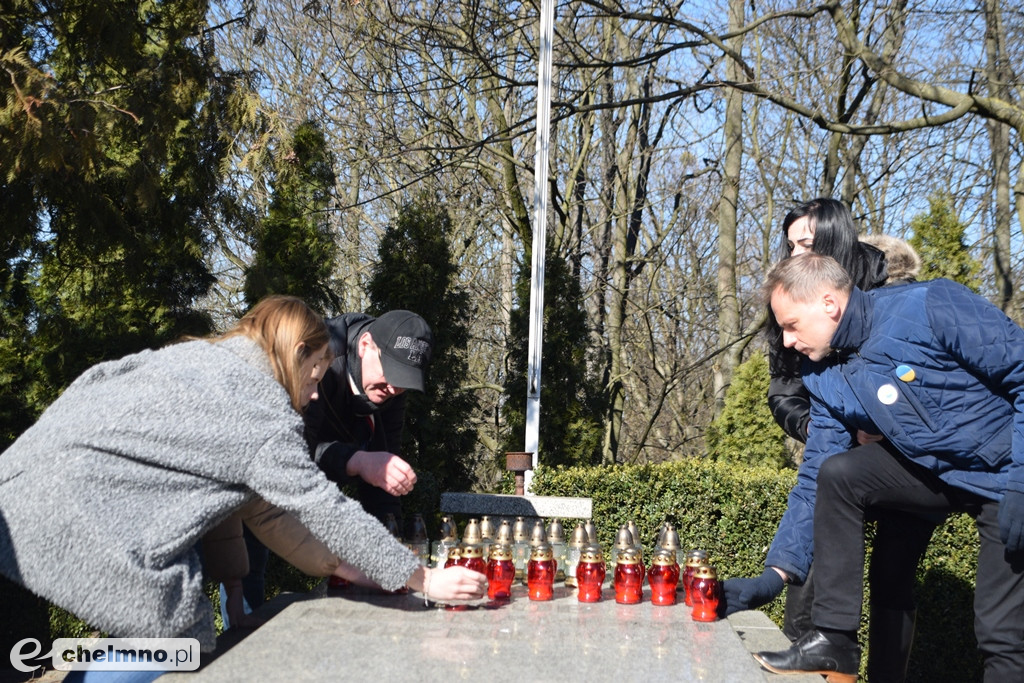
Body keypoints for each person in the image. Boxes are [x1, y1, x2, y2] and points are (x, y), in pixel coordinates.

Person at [0, 296, 486, 659]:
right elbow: (320, 507)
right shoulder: (259, 408)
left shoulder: (210, 362)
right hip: (65, 517)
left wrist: (235, 588)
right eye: (316, 377)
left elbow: (233, 495)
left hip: (14, 491)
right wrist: (422, 578)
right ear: (297, 353)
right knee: (174, 641)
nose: (316, 395)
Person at [735, 254, 1024, 682]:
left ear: (830, 303)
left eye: (791, 324)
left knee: (1000, 633)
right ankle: (833, 640)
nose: (787, 340)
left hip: (1006, 476)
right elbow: (815, 476)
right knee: (840, 474)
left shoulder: (931, 304)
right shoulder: (822, 374)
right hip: (934, 474)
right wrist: (774, 576)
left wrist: (1021, 480)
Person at [764, 199, 933, 682]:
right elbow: (784, 392)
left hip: (906, 459)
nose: (795, 252)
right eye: (790, 243)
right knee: (813, 572)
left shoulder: (895, 292)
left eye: (806, 243)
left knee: (893, 579)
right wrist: (821, 425)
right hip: (836, 454)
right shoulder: (792, 300)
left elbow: (924, 377)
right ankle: (812, 664)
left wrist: (889, 420)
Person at [237, 308, 433, 609]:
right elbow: (291, 462)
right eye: (390, 374)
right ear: (365, 345)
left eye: (403, 382)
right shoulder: (317, 362)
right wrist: (355, 460)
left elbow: (383, 471)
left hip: (294, 483)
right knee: (248, 552)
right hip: (262, 487)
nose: (394, 388)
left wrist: (391, 560)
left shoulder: (392, 386)